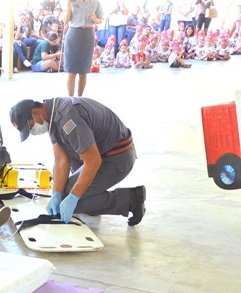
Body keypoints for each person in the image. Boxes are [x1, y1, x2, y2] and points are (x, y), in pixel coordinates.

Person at [9, 97, 146, 227]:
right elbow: (61, 159)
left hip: (117, 156)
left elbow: (93, 161)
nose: (32, 132)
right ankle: (91, 197)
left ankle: (130, 199)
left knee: (71, 197)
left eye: (30, 126)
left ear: (36, 112)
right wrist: (56, 193)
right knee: (67, 195)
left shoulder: (68, 118)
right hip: (99, 153)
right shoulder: (52, 115)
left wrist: (73, 196)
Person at [62, 0, 103, 96]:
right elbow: (66, 21)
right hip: (73, 34)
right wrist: (68, 7)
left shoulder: (95, 0)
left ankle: (80, 98)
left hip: (88, 35)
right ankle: (70, 99)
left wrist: (95, 19)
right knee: (71, 71)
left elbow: (100, 19)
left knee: (83, 71)